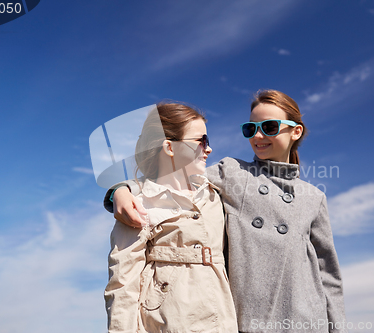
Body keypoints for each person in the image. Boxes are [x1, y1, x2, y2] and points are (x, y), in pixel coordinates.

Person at [107, 90, 347, 333]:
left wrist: (337, 329)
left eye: (270, 127)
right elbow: (168, 179)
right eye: (250, 129)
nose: (259, 135)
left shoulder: (314, 198)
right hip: (248, 319)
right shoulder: (232, 173)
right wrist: (120, 189)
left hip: (306, 318)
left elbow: (328, 274)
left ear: (296, 131)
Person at [104, 102, 237, 333]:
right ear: (169, 147)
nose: (209, 149)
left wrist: (119, 189)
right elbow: (122, 284)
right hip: (166, 324)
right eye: (201, 141)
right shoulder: (139, 202)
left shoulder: (217, 192)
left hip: (223, 321)